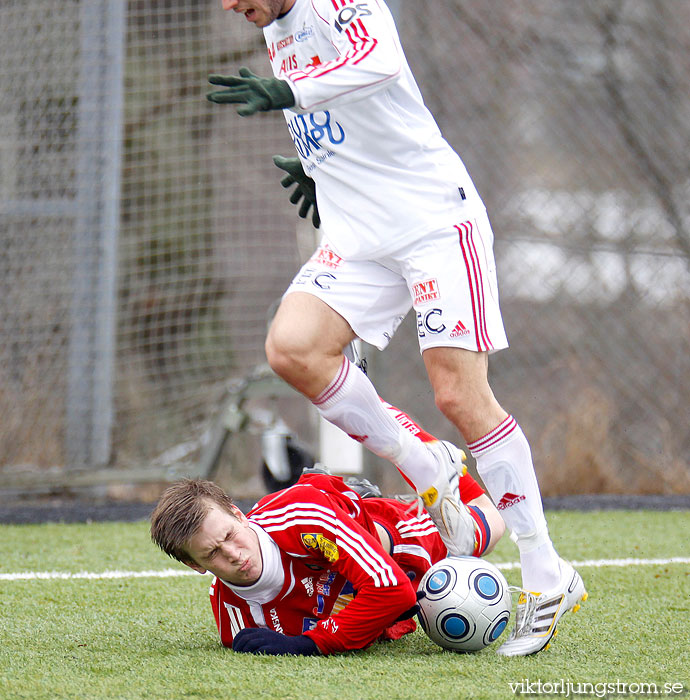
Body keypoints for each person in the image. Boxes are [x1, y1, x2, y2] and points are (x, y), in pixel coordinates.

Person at [206, 0, 586, 656]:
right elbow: (343, 110)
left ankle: (548, 573)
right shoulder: (275, 25)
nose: (231, 5)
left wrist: (287, 91)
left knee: (459, 397)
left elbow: (377, 65)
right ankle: (423, 463)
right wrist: (321, 169)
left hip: (432, 221)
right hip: (361, 229)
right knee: (293, 347)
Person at [150, 415, 505, 656]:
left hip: (398, 539)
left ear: (239, 514)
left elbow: (393, 592)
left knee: (493, 522)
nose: (232, 554)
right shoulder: (236, 620)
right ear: (193, 564)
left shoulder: (302, 518)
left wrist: (306, 645)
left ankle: (414, 448)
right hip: (371, 585)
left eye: (229, 534)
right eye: (211, 554)